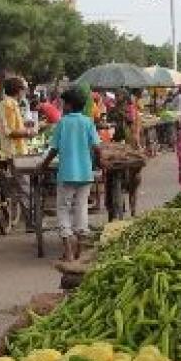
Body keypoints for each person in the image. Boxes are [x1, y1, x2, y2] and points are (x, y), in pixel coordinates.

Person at [39, 87, 101, 262]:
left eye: (64, 103)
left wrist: (43, 165)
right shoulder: (88, 122)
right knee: (81, 209)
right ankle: (79, 250)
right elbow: (97, 148)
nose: (62, 106)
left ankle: (68, 252)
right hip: (85, 174)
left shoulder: (63, 123)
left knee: (63, 209)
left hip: (66, 174)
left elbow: (54, 149)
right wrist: (101, 163)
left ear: (69, 105)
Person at [0, 77, 35, 161]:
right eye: (24, 89)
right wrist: (29, 132)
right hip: (13, 152)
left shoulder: (12, 104)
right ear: (19, 90)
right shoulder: (9, 104)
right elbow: (10, 131)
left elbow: (14, 127)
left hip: (16, 152)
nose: (25, 92)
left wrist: (25, 126)